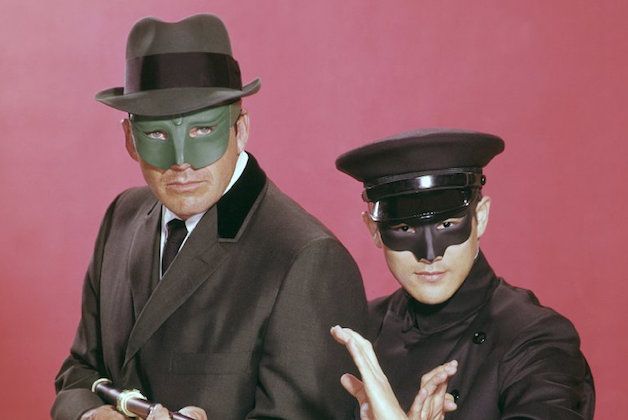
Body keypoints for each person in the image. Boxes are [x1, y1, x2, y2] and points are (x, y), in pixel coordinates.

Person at [52, 14, 367, 420]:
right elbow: (79, 372)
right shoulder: (121, 219)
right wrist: (91, 416)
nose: (182, 163)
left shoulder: (306, 259)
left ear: (241, 129)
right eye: (158, 135)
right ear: (130, 139)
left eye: (202, 131)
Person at [332, 129, 595, 419]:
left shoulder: (536, 339)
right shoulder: (360, 334)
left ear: (480, 216)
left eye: (446, 225)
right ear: (374, 230)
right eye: (405, 229)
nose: (430, 254)